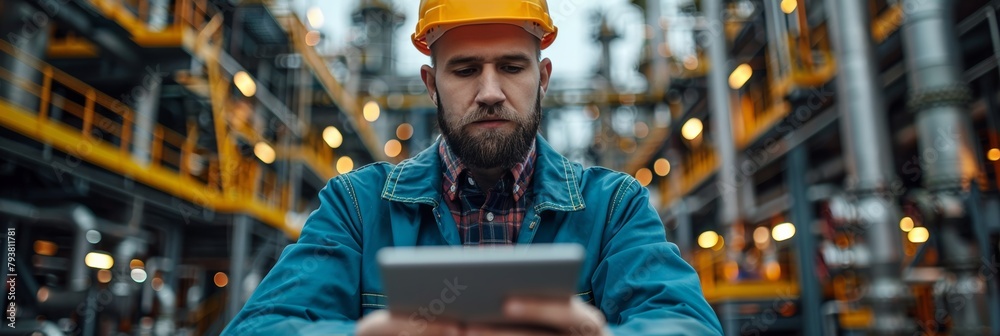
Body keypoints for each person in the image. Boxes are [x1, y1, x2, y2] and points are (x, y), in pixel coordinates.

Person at [222, 0, 723, 335]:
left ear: (542, 76)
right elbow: (261, 326)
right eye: (464, 70)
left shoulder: (614, 206)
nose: (489, 92)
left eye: (511, 66)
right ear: (430, 83)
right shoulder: (356, 206)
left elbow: (686, 323)